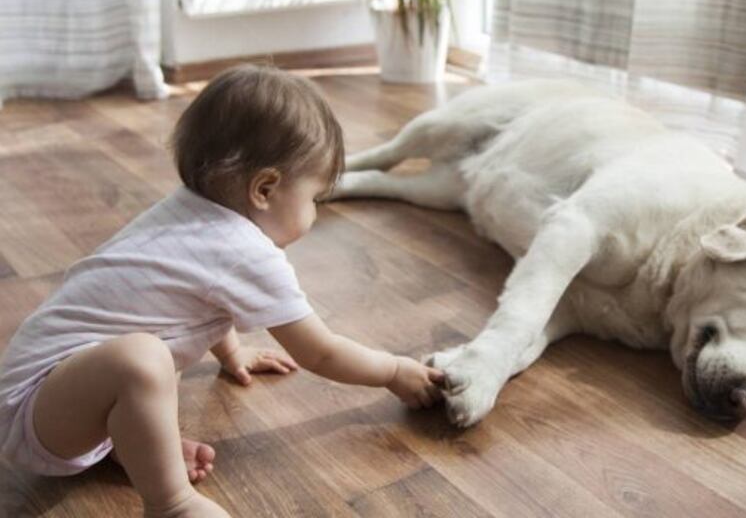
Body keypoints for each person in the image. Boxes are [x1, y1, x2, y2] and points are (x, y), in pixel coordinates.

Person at [0, 64, 443, 517]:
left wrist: (232, 355)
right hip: (33, 417)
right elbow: (322, 352)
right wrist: (392, 371)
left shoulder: (187, 213)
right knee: (144, 358)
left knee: (148, 355)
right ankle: (171, 502)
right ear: (265, 188)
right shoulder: (244, 251)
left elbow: (198, 299)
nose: (314, 214)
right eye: (314, 198)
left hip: (55, 398)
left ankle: (130, 440)